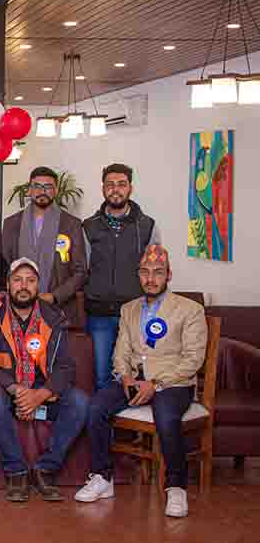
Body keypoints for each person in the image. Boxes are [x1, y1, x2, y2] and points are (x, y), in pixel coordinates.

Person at [75, 245, 205, 518]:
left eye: (158, 272)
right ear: (138, 275)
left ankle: (176, 486)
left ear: (169, 275)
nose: (151, 278)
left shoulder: (190, 309)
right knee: (96, 406)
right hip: (134, 379)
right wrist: (124, 376)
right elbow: (121, 351)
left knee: (166, 416)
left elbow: (193, 360)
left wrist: (155, 384)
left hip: (173, 383)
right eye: (145, 272)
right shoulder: (129, 309)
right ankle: (102, 477)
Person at [0, 258, 90, 503]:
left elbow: (66, 367)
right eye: (17, 280)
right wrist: (16, 389)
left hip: (43, 393)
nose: (23, 286)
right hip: (7, 392)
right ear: (8, 285)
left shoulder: (53, 317)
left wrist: (40, 394)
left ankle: (45, 469)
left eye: (30, 280)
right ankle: (16, 472)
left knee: (80, 401)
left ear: (39, 285)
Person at [82, 164, 161, 390]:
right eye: (110, 185)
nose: (115, 189)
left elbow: (155, 270)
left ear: (130, 188)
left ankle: (131, 414)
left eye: (121, 184)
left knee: (135, 375)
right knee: (102, 377)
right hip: (99, 315)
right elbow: (83, 268)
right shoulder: (88, 226)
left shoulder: (147, 226)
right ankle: (105, 414)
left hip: (136, 313)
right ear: (103, 189)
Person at [2, 167, 88, 327]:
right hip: (18, 307)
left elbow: (80, 271)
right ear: (29, 190)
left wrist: (55, 296)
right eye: (37, 186)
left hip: (58, 310)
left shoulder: (71, 224)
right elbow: (5, 265)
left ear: (56, 190)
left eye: (48, 187)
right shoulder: (11, 224)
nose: (42, 191)